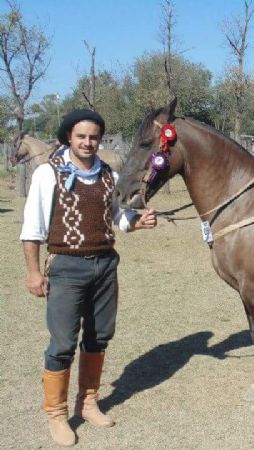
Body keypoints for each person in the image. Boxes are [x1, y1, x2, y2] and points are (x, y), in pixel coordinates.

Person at [20, 109, 158, 447]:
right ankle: (56, 414)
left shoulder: (108, 174)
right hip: (67, 267)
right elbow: (32, 228)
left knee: (99, 337)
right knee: (63, 343)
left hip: (105, 265)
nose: (87, 142)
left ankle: (89, 401)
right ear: (69, 136)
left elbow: (117, 217)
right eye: (81, 136)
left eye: (93, 136)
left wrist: (137, 222)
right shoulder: (47, 174)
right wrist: (34, 272)